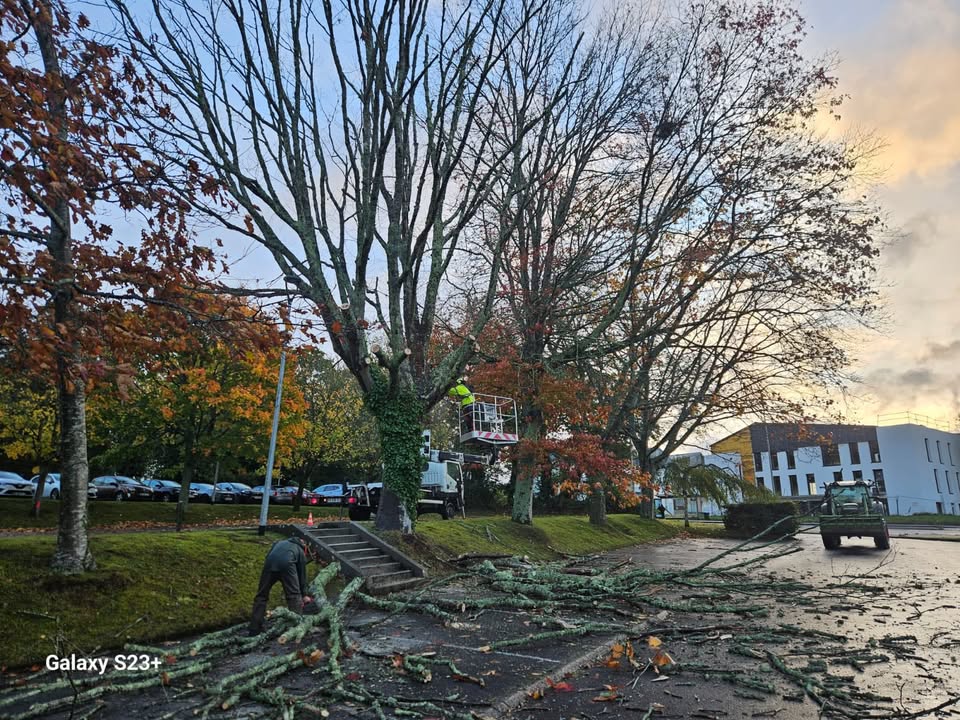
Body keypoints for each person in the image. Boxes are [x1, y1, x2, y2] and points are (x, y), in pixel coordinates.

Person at [249, 536, 316, 636]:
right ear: (304, 545)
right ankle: (296, 626)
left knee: (261, 595)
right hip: (287, 565)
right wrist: (304, 594)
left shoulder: (279, 542)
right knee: (294, 595)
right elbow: (302, 575)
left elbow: (268, 556)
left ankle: (254, 628)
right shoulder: (300, 550)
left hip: (269, 564)